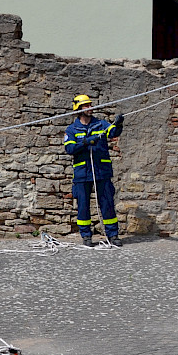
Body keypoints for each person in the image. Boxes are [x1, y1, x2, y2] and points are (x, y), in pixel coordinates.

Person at [63, 94, 125, 247]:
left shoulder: (101, 124)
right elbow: (69, 148)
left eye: (90, 105)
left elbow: (113, 133)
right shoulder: (71, 129)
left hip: (101, 171)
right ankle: (86, 236)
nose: (90, 108)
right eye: (86, 106)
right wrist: (85, 142)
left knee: (107, 204)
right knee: (83, 205)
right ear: (78, 108)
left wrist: (118, 124)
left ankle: (112, 235)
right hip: (82, 174)